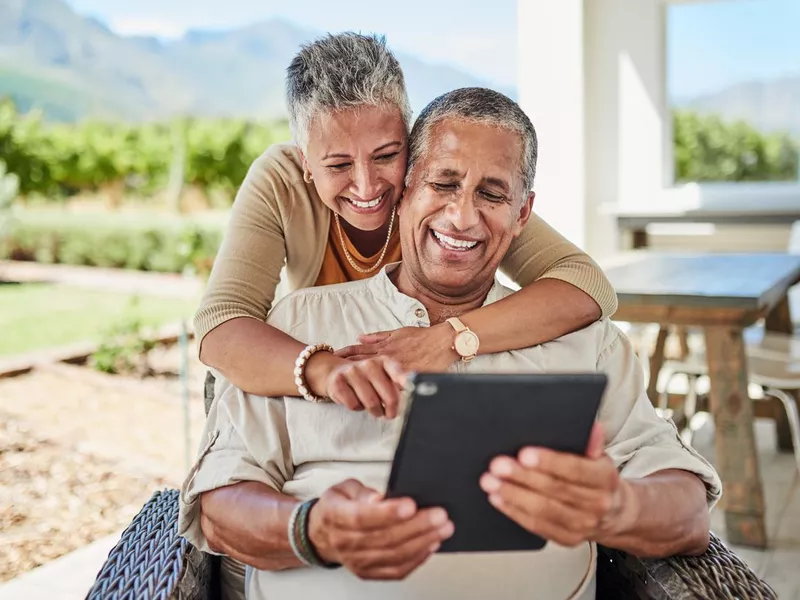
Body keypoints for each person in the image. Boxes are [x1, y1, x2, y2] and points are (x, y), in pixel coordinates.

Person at [179, 87, 721, 600]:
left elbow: (688, 511)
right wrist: (313, 529)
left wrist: (618, 509)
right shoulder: (298, 325)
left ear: (522, 215)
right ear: (406, 189)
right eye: (443, 184)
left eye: (492, 194)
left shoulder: (586, 342)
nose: (462, 216)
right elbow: (218, 504)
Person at [194, 32, 618, 414]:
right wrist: (326, 371)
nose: (366, 186)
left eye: (386, 155)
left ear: (411, 140)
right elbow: (221, 322)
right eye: (338, 163)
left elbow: (586, 284)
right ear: (306, 162)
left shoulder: (441, 181)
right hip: (322, 393)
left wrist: (451, 337)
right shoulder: (280, 181)